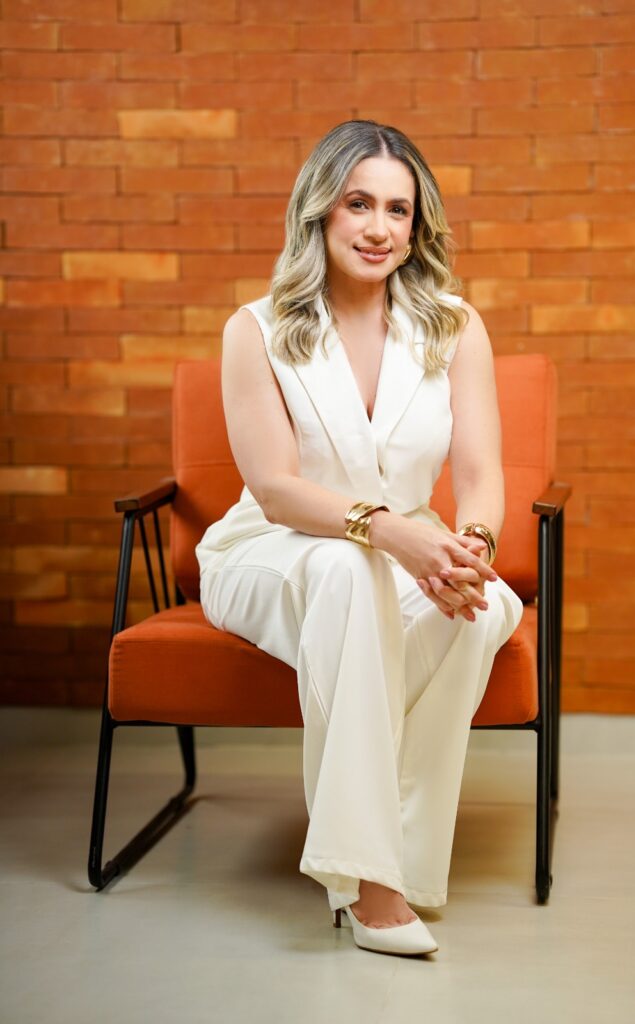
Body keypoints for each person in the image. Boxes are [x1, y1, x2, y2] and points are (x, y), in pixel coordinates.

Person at [196, 119, 523, 958]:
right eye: (358, 204)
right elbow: (275, 487)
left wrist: (472, 547)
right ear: (320, 211)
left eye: (398, 210)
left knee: (485, 609)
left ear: (418, 226)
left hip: (406, 543)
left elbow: (482, 472)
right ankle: (367, 885)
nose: (379, 228)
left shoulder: (453, 327)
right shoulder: (257, 329)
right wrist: (390, 536)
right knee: (349, 571)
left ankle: (402, 858)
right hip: (272, 547)